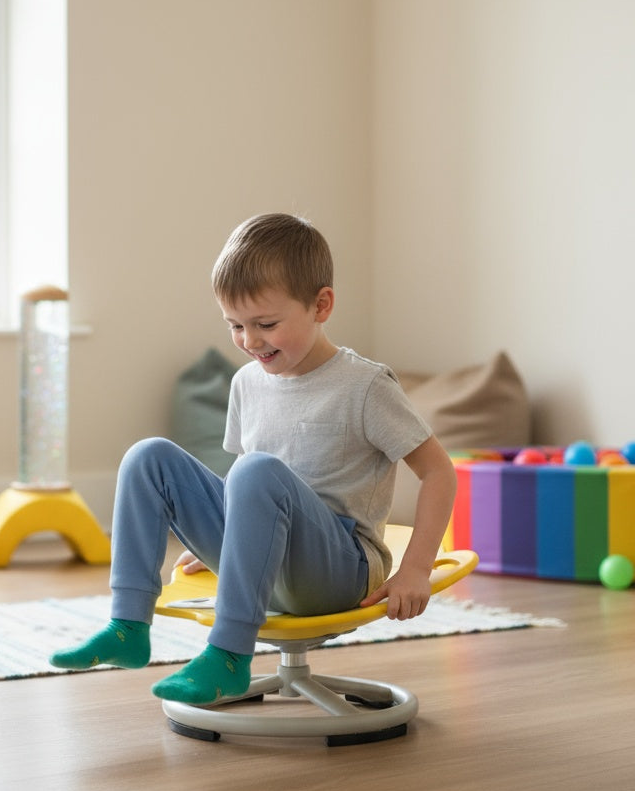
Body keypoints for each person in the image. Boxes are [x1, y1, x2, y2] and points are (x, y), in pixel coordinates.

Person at [50, 213, 456, 705]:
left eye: (266, 324)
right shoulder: (246, 382)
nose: (249, 341)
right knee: (148, 456)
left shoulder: (365, 386)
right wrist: (217, 537)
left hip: (339, 570)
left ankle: (228, 654)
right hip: (269, 564)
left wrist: (416, 569)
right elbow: (240, 486)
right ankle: (128, 625)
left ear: (321, 305)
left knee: (256, 468)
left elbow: (438, 471)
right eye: (235, 325)